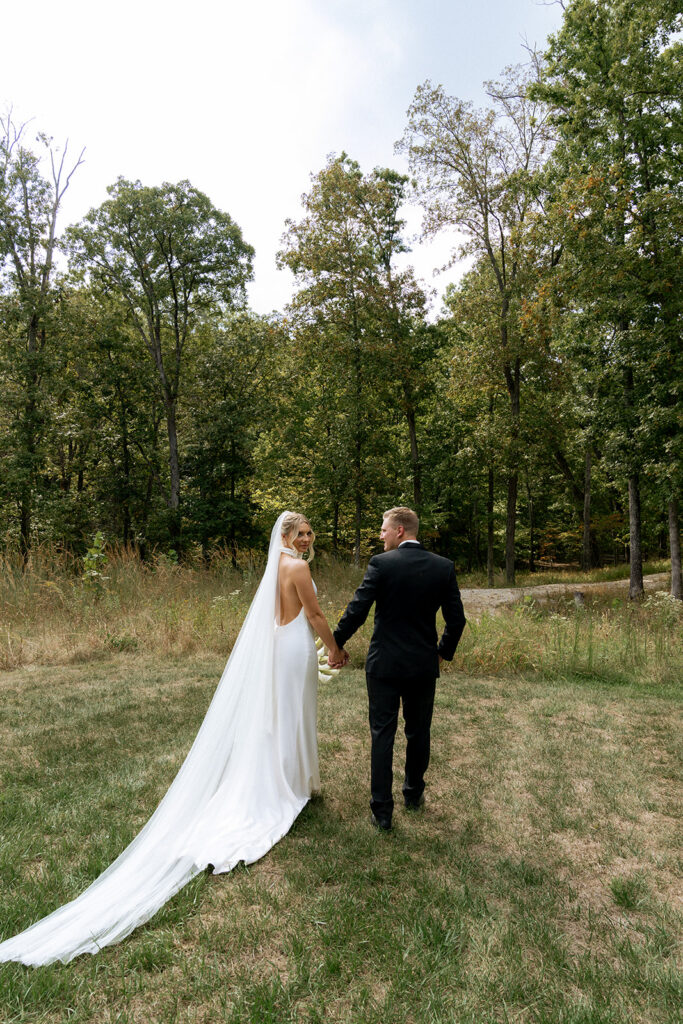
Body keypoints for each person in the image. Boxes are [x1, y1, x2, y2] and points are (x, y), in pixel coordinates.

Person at [0, 512, 344, 967]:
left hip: (282, 647)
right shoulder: (296, 569)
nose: (305, 539)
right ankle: (287, 784)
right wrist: (336, 648)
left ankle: (290, 778)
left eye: (308, 534)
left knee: (280, 718)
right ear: (283, 536)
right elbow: (315, 614)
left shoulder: (274, 568)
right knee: (290, 716)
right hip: (294, 647)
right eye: (298, 533)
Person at [330, 506, 466, 831]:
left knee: (382, 733)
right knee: (419, 731)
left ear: (400, 531)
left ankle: (382, 811)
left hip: (384, 665)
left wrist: (335, 642)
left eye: (383, 529)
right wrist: (441, 654)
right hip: (422, 664)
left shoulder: (381, 564)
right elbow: (456, 619)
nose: (380, 535)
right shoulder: (442, 567)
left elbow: (357, 610)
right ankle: (414, 794)